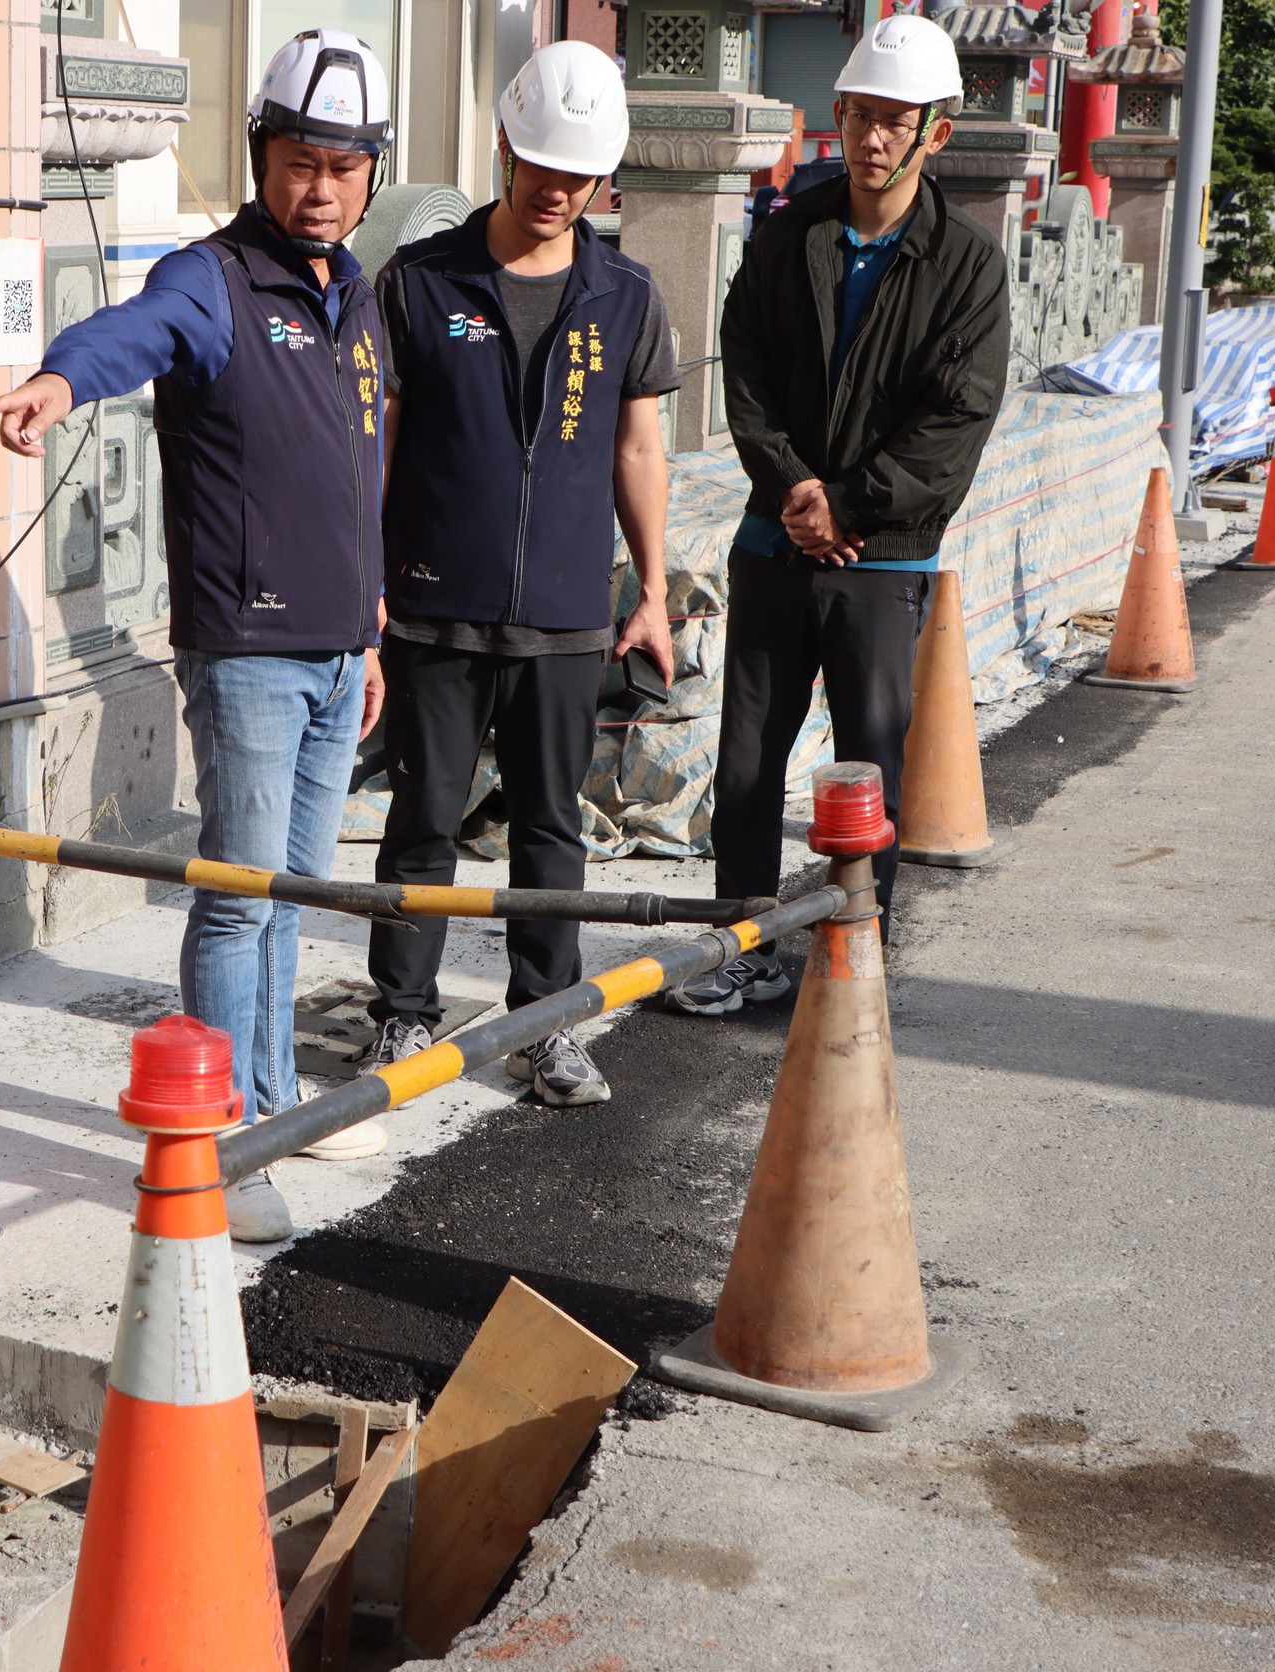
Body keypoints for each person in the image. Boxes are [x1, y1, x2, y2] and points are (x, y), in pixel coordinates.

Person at [0, 29, 395, 1241]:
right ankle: (216, 1145)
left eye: (343, 163)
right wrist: (59, 381)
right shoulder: (214, 282)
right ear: (262, 155)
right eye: (298, 159)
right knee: (236, 897)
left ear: (372, 171)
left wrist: (369, 632)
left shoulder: (356, 295)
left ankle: (270, 1105)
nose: (318, 186)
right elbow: (135, 333)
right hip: (253, 652)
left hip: (334, 653)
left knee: (292, 895)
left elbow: (356, 473)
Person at [350, 41, 679, 1106]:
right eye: (541, 165)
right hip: (436, 601)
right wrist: (372, 585)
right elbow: (379, 445)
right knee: (423, 822)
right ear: (503, 144)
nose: (558, 191)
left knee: (552, 829)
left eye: (580, 175)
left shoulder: (624, 295)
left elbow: (637, 451)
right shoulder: (421, 281)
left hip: (569, 614)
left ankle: (548, 1022)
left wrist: (657, 592)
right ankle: (403, 1016)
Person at [669, 13, 1010, 1015]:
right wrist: (792, 496)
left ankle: (858, 947)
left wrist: (848, 505)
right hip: (775, 543)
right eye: (857, 113)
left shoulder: (967, 266)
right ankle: (738, 942)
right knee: (745, 762)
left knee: (870, 767)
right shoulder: (791, 234)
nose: (870, 136)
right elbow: (750, 378)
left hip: (885, 560)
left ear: (933, 133)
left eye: (892, 119)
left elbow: (958, 420)